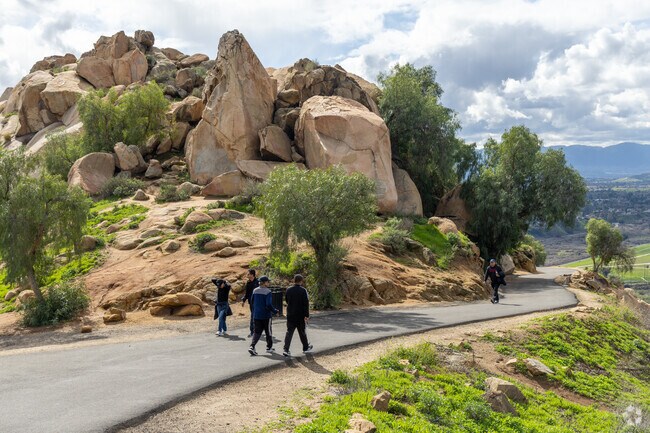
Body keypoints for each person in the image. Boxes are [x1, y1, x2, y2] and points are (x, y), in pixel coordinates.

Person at [283, 274, 313, 357]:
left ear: (294, 280)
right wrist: (306, 315)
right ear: (301, 281)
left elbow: (287, 300)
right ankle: (305, 348)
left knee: (289, 332)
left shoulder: (288, 290)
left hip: (290, 314)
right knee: (302, 332)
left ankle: (286, 349)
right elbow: (306, 303)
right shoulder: (303, 290)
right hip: (300, 315)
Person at [248, 275, 278, 356]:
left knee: (257, 332)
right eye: (268, 281)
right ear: (264, 283)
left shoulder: (255, 290)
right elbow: (268, 304)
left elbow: (252, 301)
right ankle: (269, 347)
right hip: (266, 315)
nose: (269, 283)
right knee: (268, 331)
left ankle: (252, 346)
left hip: (256, 315)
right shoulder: (268, 291)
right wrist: (275, 311)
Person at [241, 269, 259, 338]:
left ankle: (253, 331)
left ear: (252, 275)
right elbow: (247, 293)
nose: (247, 275)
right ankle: (254, 330)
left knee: (254, 316)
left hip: (258, 302)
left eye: (248, 274)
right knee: (253, 316)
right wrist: (243, 301)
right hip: (251, 302)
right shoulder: (248, 283)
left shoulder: (258, 282)